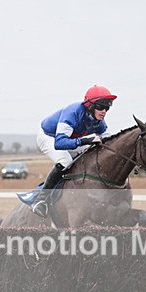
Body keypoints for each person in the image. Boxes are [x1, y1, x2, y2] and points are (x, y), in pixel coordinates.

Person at [30, 85, 117, 217]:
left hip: (68, 139)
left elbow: (109, 142)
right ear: (90, 105)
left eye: (107, 107)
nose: (104, 111)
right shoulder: (72, 113)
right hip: (49, 137)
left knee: (88, 156)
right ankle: (40, 200)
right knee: (65, 161)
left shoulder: (100, 122)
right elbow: (59, 143)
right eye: (101, 106)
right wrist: (84, 141)